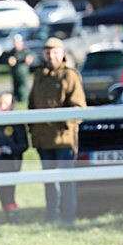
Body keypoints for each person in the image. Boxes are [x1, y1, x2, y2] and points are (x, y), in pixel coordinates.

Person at [28, 37, 87, 224]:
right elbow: (31, 104)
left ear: (62, 54)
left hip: (63, 138)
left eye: (54, 52)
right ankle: (51, 216)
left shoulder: (69, 76)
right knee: (49, 180)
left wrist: (63, 124)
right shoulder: (39, 76)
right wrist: (33, 128)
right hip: (43, 139)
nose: (51, 56)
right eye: (47, 52)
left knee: (66, 179)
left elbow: (78, 108)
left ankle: (68, 216)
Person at [0, 91, 28, 223]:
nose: (2, 106)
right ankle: (8, 215)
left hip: (12, 163)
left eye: (6, 103)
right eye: (0, 103)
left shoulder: (17, 122)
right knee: (1, 191)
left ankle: (13, 215)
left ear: (12, 105)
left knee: (9, 191)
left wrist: (8, 150)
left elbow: (24, 145)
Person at [6, 34, 34, 103]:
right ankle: (16, 98)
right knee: (15, 86)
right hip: (14, 72)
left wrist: (29, 59)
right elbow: (7, 60)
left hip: (22, 72)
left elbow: (31, 57)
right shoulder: (12, 52)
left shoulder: (25, 51)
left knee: (23, 86)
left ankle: (23, 98)